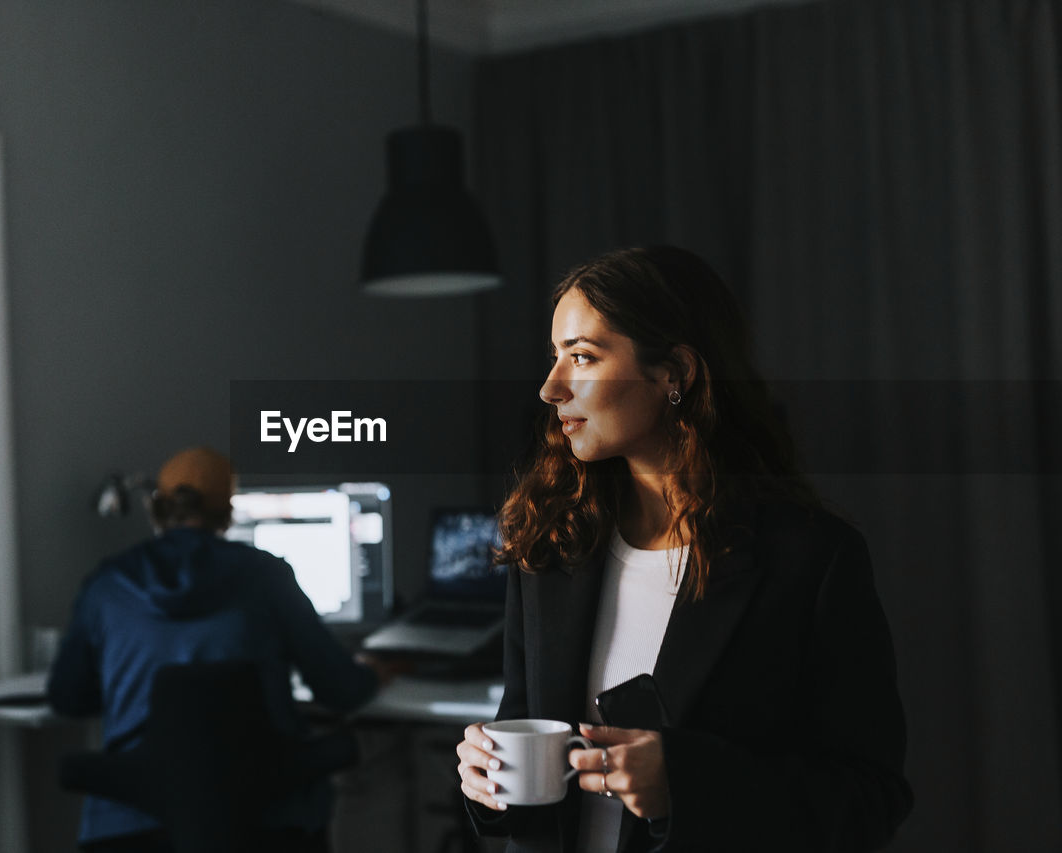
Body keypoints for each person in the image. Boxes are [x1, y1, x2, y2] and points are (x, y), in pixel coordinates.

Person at [455, 247, 912, 852]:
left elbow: (868, 799)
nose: (550, 388)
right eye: (555, 357)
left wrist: (686, 784)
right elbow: (528, 755)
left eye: (583, 357)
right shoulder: (553, 547)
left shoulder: (811, 560)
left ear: (674, 374)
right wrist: (485, 780)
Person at [50, 445, 387, 853]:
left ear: (156, 509)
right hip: (266, 821)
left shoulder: (107, 584)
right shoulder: (266, 576)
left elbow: (67, 696)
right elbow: (341, 691)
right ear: (227, 512)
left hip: (132, 823)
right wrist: (380, 667)